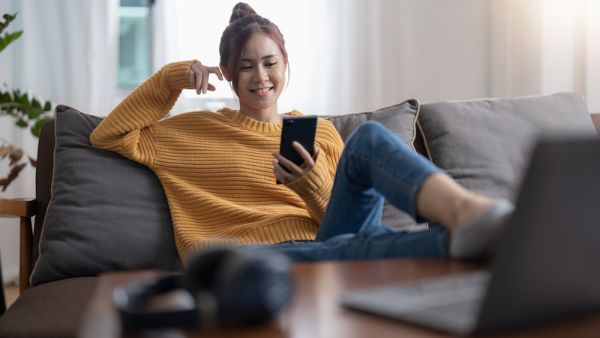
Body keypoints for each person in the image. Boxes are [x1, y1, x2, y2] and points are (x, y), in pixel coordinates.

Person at [91, 3, 512, 264]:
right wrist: (172, 78)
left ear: (285, 64)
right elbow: (108, 136)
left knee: (365, 144)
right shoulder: (192, 133)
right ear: (228, 74)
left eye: (270, 63)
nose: (261, 77)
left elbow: (337, 223)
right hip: (251, 258)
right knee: (358, 249)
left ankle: (467, 214)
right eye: (246, 66)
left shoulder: (321, 135)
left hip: (326, 244)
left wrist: (309, 184)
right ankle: (485, 237)